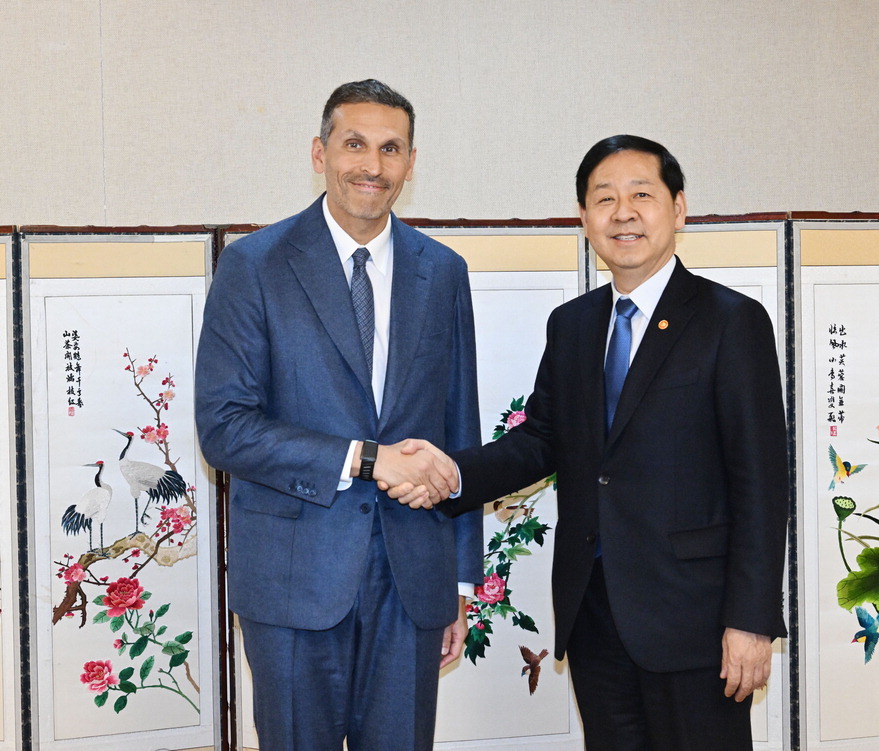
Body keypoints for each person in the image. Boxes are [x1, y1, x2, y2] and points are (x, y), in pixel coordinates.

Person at [389, 135, 789, 750]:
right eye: (604, 199)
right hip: (594, 610)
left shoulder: (730, 320)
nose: (623, 213)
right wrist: (451, 475)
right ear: (584, 217)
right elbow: (541, 441)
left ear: (679, 208)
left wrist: (751, 620)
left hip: (696, 620)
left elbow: (761, 482)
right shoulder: (573, 325)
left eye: (641, 195)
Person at [195, 79, 481, 751]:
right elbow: (224, 425)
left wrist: (459, 579)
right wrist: (367, 459)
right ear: (319, 153)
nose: (372, 165)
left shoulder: (442, 271)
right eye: (355, 144)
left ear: (411, 162)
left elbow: (458, 429)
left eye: (391, 148)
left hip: (413, 582)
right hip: (294, 580)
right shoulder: (254, 265)